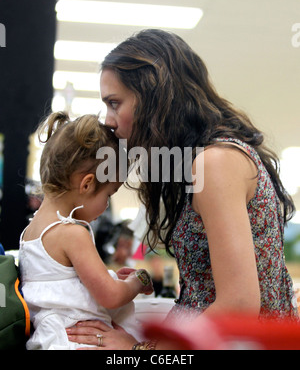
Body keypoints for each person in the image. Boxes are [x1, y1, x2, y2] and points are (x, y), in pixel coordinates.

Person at [66, 29, 298, 350]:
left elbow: (238, 304)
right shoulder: (196, 162)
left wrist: (140, 352)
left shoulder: (215, 163)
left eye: (115, 103)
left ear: (152, 97)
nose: (108, 119)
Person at [18, 112, 153, 350]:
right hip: (77, 341)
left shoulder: (31, 232)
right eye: (108, 195)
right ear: (87, 184)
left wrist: (109, 277)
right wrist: (137, 280)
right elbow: (110, 297)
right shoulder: (72, 232)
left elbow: (64, 288)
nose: (107, 205)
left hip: (51, 339)